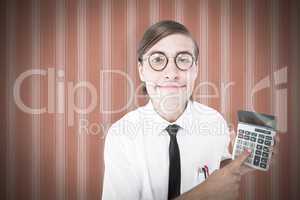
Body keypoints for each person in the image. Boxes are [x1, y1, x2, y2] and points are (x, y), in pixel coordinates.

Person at [102, 20, 279, 200]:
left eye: (183, 59)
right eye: (157, 60)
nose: (171, 73)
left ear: (195, 69)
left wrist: (237, 166)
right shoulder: (121, 136)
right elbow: (210, 190)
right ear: (141, 70)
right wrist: (203, 194)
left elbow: (213, 170)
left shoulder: (214, 121)